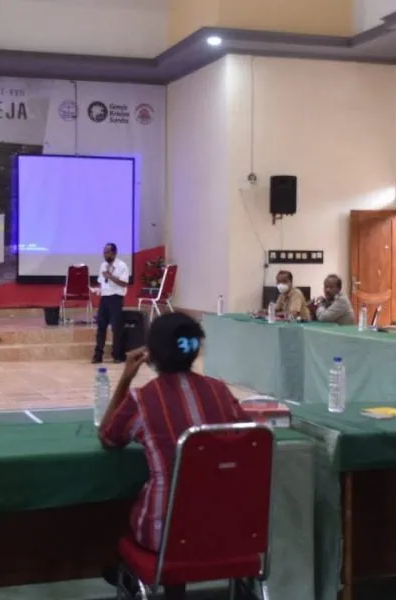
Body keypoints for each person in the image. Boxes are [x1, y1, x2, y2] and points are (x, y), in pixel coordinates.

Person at [98, 313, 250, 600]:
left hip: (165, 536)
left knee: (139, 510)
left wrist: (126, 378)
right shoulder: (219, 390)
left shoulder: (143, 399)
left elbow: (108, 437)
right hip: (228, 530)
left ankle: (134, 576)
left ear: (151, 353)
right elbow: (246, 432)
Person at [93, 243, 129, 364]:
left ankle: (117, 355)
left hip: (116, 298)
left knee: (116, 327)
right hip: (104, 298)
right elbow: (101, 281)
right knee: (101, 327)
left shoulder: (122, 265)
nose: (105, 255)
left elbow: (124, 283)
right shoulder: (103, 265)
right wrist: (98, 289)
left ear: (114, 253)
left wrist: (110, 276)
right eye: (104, 252)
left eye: (107, 252)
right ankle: (98, 355)